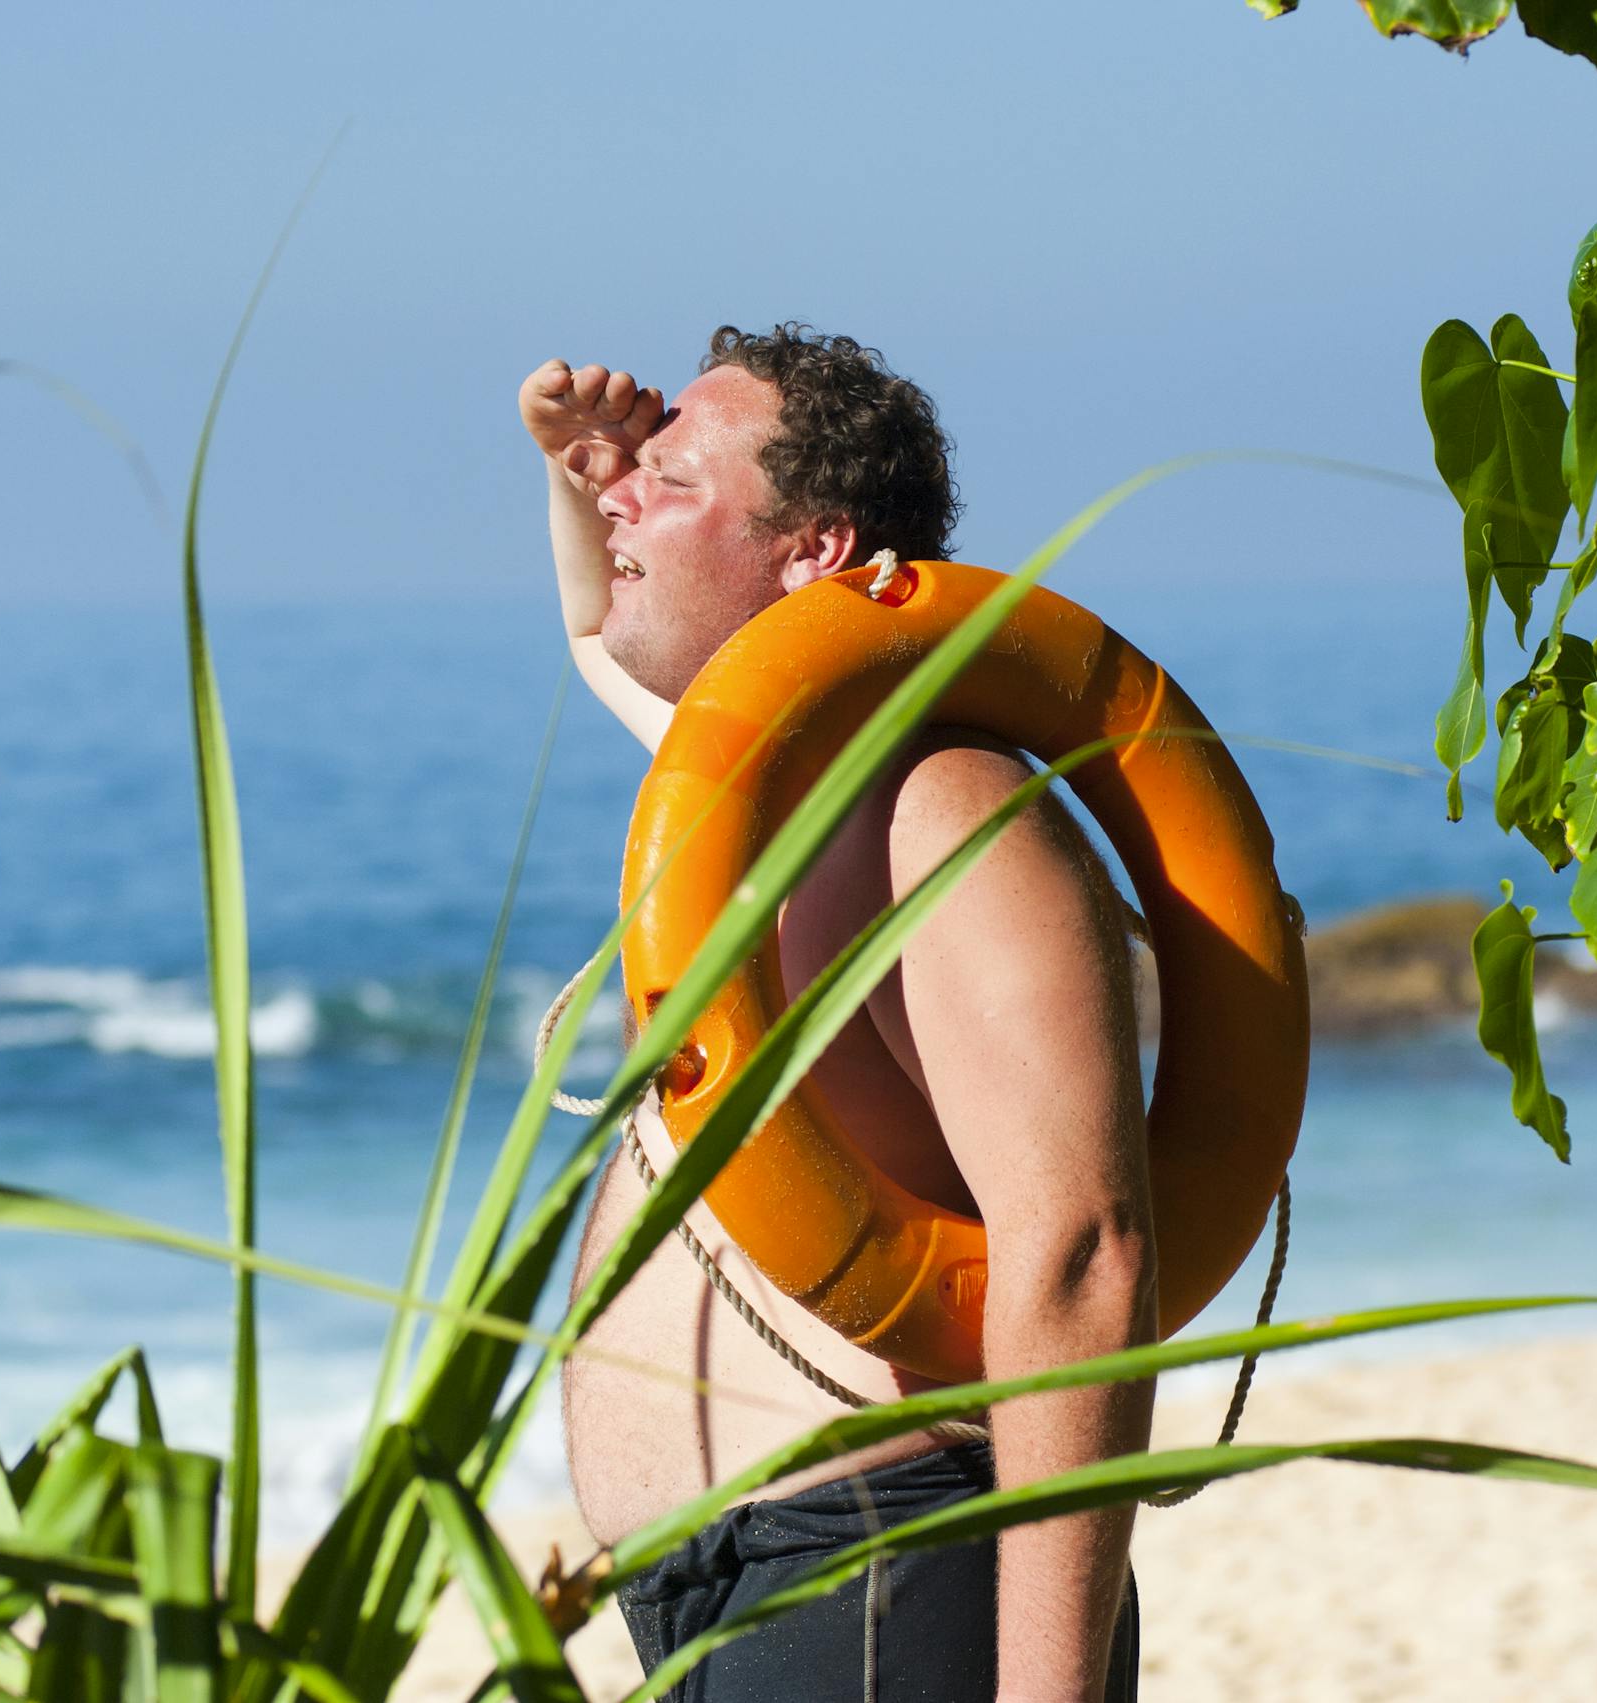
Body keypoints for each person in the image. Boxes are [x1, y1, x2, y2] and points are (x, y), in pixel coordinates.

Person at [526, 325, 1150, 1701]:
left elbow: (1085, 1256)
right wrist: (578, 470)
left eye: (671, 483)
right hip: (720, 1594)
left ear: (814, 551)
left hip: (884, 1558)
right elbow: (594, 629)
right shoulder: (746, 797)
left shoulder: (939, 812)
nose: (624, 499)